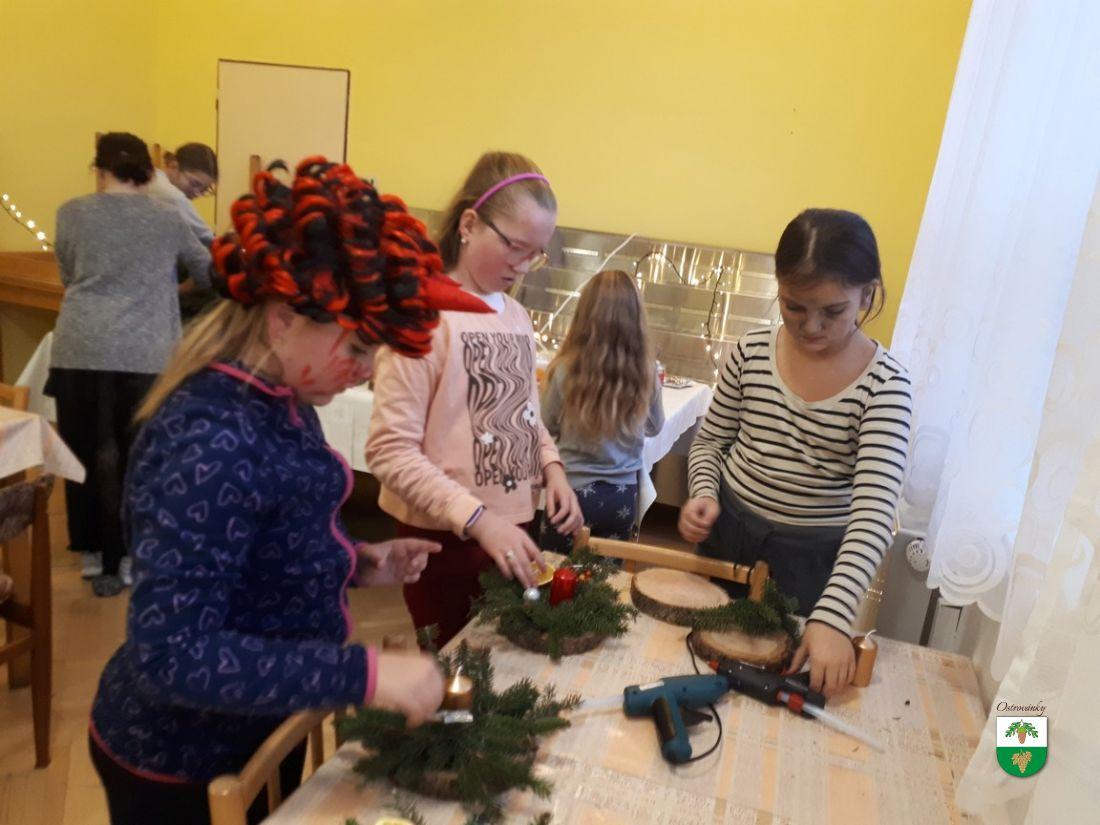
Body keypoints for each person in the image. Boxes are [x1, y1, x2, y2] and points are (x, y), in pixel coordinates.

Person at [87, 157, 483, 825]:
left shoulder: (281, 396)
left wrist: (355, 562)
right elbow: (171, 654)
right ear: (280, 319)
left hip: (260, 725)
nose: (364, 371)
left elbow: (260, 540)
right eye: (356, 348)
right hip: (179, 760)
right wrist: (364, 674)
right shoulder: (208, 441)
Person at [680, 208, 912, 697]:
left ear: (867, 294)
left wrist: (832, 617)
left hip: (808, 562)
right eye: (793, 307)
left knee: (775, 679)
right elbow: (711, 442)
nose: (811, 326)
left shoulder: (886, 387)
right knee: (697, 652)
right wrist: (703, 492)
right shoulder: (750, 351)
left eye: (833, 311)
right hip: (727, 535)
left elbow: (873, 514)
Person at [366, 151, 584, 647]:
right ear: (469, 225)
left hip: (512, 527)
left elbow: (525, 415)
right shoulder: (425, 315)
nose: (524, 267)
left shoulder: (515, 316)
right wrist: (478, 519)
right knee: (455, 662)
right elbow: (389, 451)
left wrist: (552, 469)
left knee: (505, 660)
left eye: (537, 254)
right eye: (515, 247)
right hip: (443, 539)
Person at [49, 132, 212, 597]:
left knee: (83, 450)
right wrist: (166, 287)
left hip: (79, 347)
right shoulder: (168, 215)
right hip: (146, 351)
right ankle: (128, 556)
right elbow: (206, 272)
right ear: (149, 170)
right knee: (139, 456)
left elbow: (69, 274)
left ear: (99, 170)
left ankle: (91, 552)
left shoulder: (71, 212)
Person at [538, 269, 664, 552]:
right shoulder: (646, 373)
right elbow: (655, 426)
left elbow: (545, 426)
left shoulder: (564, 370)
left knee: (554, 568)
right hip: (622, 495)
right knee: (605, 574)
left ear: (583, 315)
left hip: (571, 492)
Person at [145, 142, 220, 320]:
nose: (197, 193)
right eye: (194, 184)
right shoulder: (170, 194)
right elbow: (207, 237)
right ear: (174, 166)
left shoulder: (155, 178)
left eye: (204, 190)